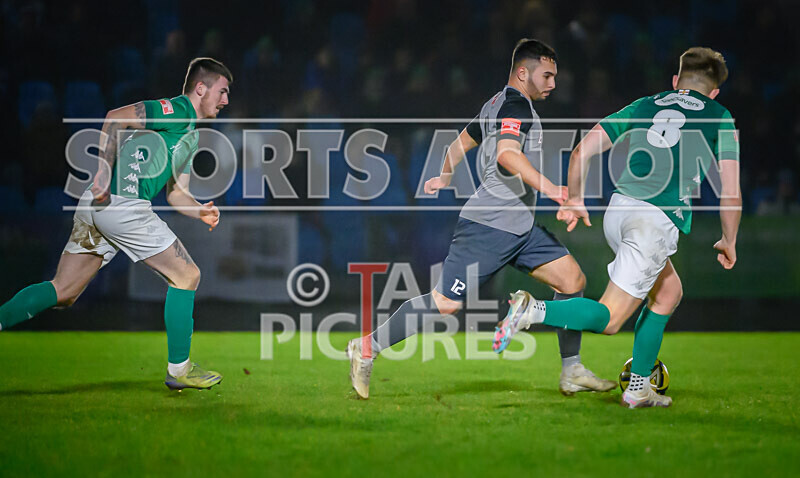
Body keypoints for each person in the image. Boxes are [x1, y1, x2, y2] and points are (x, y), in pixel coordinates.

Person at [347, 39, 616, 399]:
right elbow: (507, 154)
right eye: (547, 75)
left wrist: (445, 174)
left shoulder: (497, 102)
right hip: (489, 227)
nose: (553, 84)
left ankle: (572, 370)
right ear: (523, 72)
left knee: (572, 281)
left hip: (520, 228)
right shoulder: (515, 105)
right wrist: (552, 188)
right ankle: (367, 347)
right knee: (445, 303)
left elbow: (460, 142)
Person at [493, 47, 741, 408]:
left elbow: (582, 151)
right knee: (609, 319)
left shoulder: (645, 104)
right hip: (653, 222)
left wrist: (575, 198)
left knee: (668, 292)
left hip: (620, 210)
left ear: (675, 81)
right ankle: (532, 311)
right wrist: (729, 239)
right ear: (715, 91)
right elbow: (730, 191)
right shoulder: (720, 116)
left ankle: (639, 387)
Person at [0, 57, 232, 391]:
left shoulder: (191, 137)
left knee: (63, 291)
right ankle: (179, 370)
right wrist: (104, 172)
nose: (225, 100)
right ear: (201, 88)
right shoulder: (178, 109)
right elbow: (116, 117)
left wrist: (201, 211)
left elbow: (176, 195)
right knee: (187, 275)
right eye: (222, 91)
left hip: (99, 206)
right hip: (121, 203)